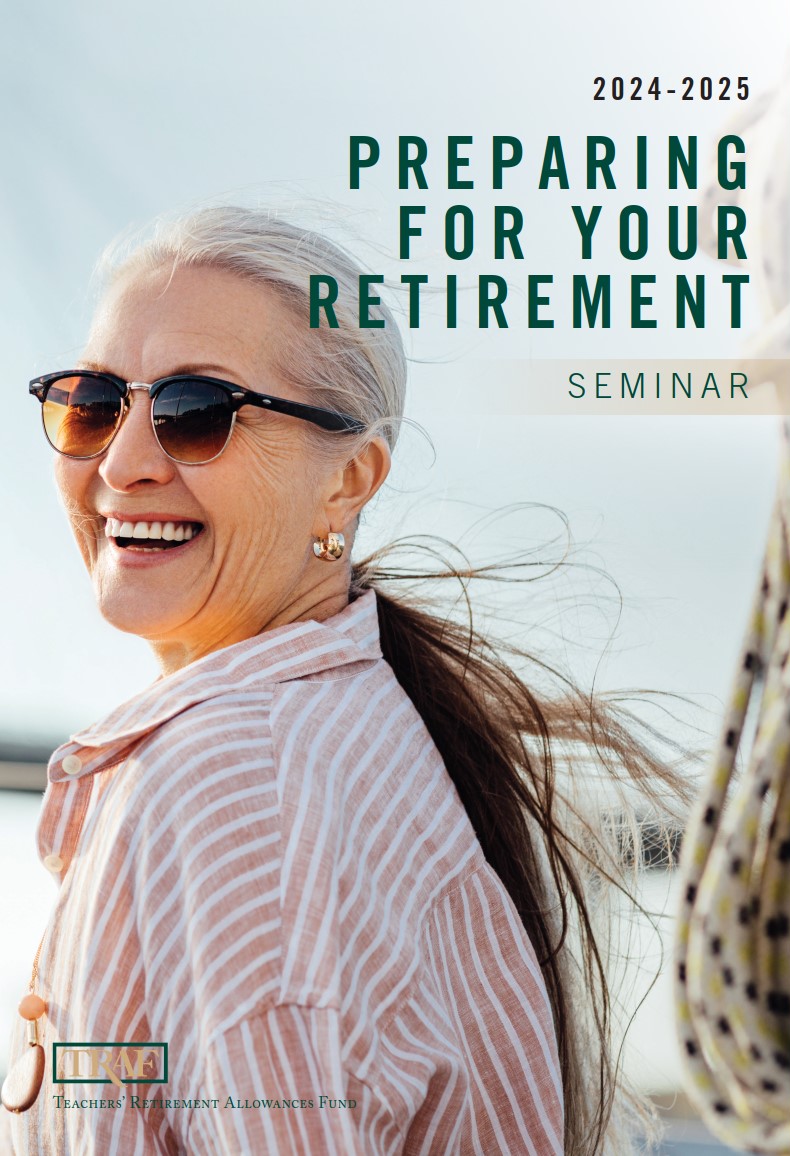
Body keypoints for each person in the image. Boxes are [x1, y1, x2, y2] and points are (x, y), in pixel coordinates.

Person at [3, 207, 683, 1155]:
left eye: (195, 412)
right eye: (93, 403)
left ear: (349, 480)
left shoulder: (233, 782)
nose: (121, 461)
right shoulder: (342, 740)